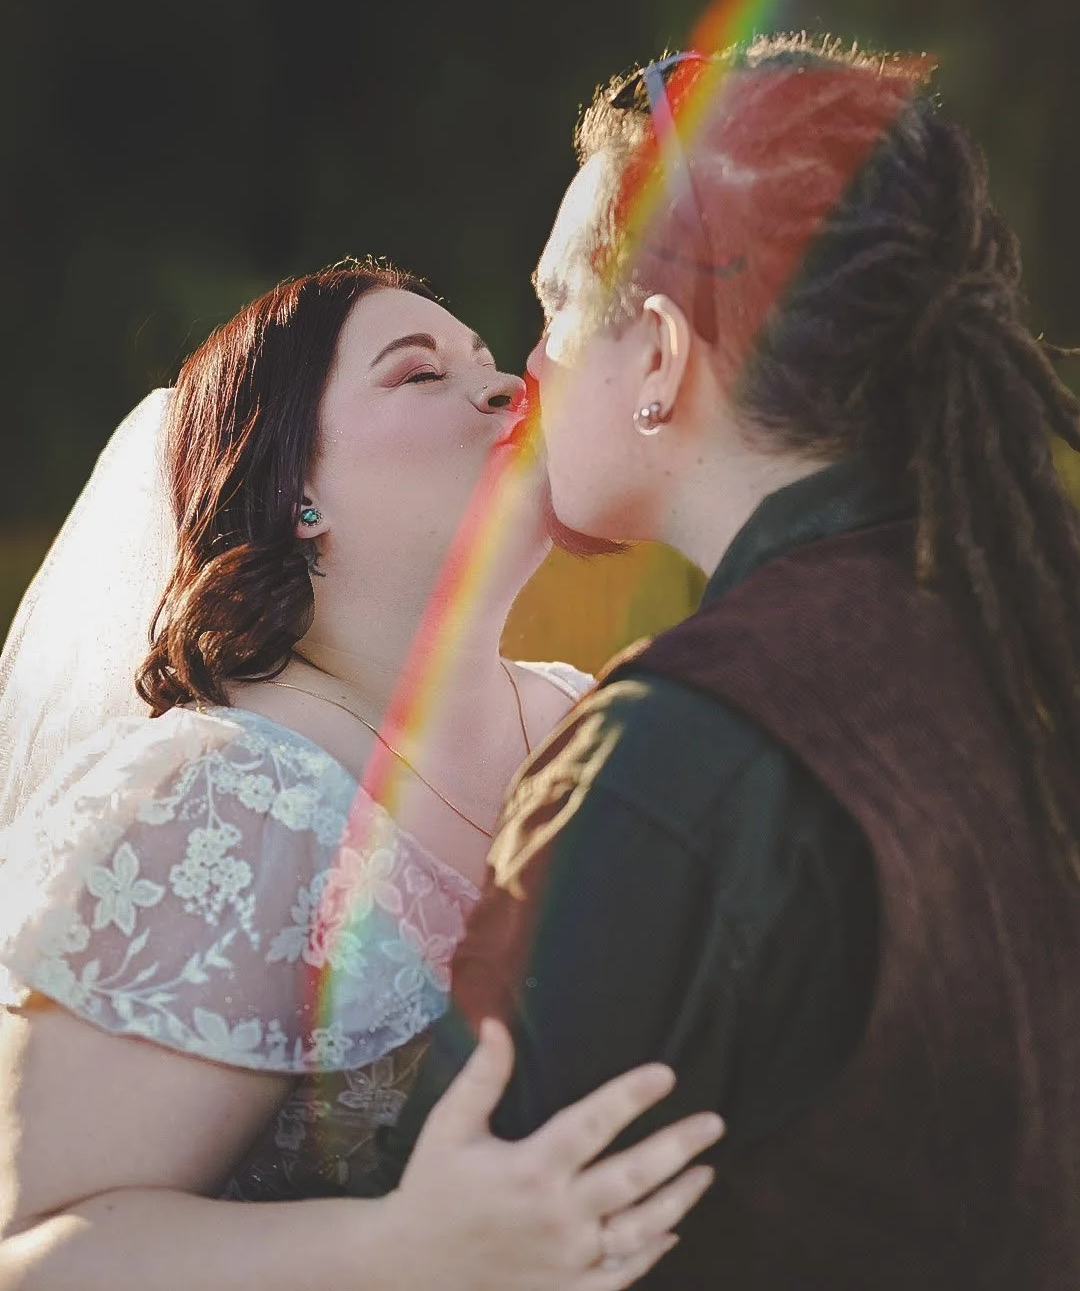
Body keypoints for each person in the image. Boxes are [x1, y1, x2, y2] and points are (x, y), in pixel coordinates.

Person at [368, 37, 1080, 1289]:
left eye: (555, 310)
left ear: (658, 353)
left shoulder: (681, 755)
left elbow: (448, 1248)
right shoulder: (1023, 639)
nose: (531, 368)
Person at [0, 261, 722, 1290]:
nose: (505, 385)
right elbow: (31, 1256)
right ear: (293, 491)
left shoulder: (594, 717)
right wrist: (401, 1251)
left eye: (491, 360)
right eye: (419, 372)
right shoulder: (221, 797)